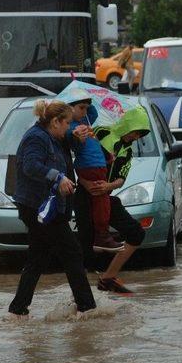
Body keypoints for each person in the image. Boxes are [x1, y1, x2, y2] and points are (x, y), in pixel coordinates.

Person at [8, 99, 97, 319]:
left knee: (38, 258)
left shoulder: (55, 137)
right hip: (38, 208)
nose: (69, 127)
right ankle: (86, 308)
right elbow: (30, 166)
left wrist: (77, 138)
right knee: (72, 251)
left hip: (48, 207)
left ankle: (18, 310)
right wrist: (57, 177)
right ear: (55, 121)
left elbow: (71, 147)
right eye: (66, 123)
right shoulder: (36, 137)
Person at [74, 105, 151, 294]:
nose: (136, 137)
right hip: (84, 197)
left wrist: (108, 187)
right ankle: (80, 296)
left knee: (137, 233)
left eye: (140, 135)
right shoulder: (100, 132)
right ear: (127, 125)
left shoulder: (127, 151)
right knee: (85, 250)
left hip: (106, 199)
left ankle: (108, 278)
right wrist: (84, 182)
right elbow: (79, 159)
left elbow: (121, 178)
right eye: (135, 132)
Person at [63, 88, 124, 252]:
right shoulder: (73, 127)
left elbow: (93, 111)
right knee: (102, 201)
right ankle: (102, 236)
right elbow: (72, 138)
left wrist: (84, 97)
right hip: (91, 167)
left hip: (97, 165)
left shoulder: (87, 120)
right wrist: (77, 135)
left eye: (86, 107)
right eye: (81, 107)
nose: (85, 111)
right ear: (69, 109)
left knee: (101, 200)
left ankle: (101, 236)